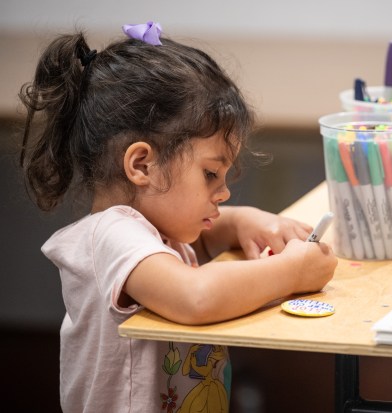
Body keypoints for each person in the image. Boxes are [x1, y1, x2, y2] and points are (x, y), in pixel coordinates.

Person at [18, 21, 337, 413]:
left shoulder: (154, 230)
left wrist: (241, 222)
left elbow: (199, 236)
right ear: (142, 165)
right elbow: (195, 296)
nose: (224, 193)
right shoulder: (113, 234)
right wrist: (292, 271)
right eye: (209, 174)